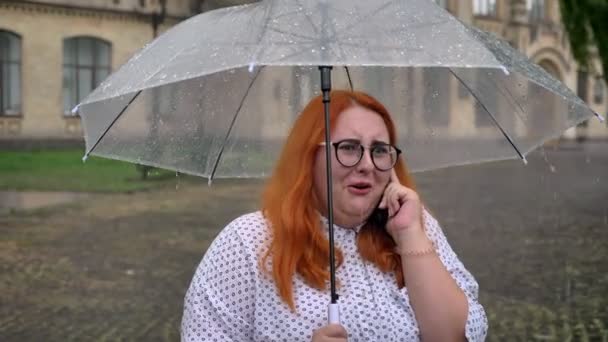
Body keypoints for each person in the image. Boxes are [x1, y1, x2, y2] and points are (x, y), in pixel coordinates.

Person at [181, 90, 488, 341]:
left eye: (380, 150)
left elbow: (457, 336)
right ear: (308, 156)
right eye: (349, 148)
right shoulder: (248, 243)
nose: (367, 164)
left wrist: (410, 234)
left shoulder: (415, 227)